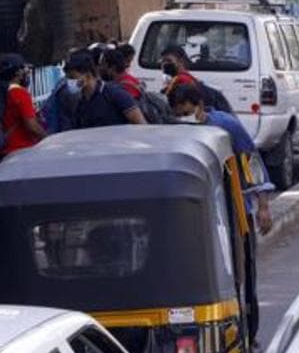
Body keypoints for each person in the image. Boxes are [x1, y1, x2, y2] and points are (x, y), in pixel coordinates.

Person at [170, 83, 273, 338]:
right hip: (196, 217)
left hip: (233, 212)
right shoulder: (173, 130)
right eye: (178, 114)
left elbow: (251, 161)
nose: (183, 118)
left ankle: (248, 333)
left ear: (200, 106)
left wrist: (262, 206)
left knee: (241, 273)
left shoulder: (227, 126)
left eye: (187, 111)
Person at [66, 48, 146, 128]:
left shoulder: (115, 94)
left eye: (73, 77)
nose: (70, 81)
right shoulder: (79, 102)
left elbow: (141, 125)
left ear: (88, 76)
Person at [0, 54, 46, 157]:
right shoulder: (19, 93)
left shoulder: (0, 92)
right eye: (25, 69)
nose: (27, 72)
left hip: (4, 151)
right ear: (18, 72)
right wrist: (47, 138)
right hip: (21, 150)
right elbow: (32, 126)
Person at [160, 45, 233, 113]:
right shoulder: (187, 79)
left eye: (169, 61)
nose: (165, 64)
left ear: (181, 61)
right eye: (163, 61)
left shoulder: (183, 81)